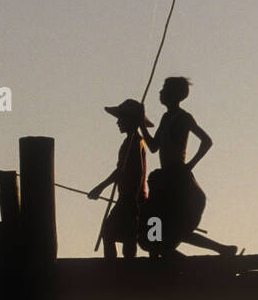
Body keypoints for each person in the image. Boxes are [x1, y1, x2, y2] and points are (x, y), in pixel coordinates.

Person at [139, 76, 211, 257]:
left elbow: (207, 141)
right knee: (157, 230)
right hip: (166, 177)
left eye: (164, 89)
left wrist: (189, 166)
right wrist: (141, 124)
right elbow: (154, 146)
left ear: (174, 94)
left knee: (164, 228)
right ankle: (222, 250)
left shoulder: (184, 118)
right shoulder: (166, 117)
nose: (160, 92)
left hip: (176, 178)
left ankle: (163, 259)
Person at [88, 98, 151, 260]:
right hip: (130, 197)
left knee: (109, 233)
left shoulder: (134, 142)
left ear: (130, 120)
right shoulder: (133, 141)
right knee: (123, 235)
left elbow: (126, 172)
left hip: (130, 198)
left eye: (121, 118)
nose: (117, 122)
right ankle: (122, 269)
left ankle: (115, 271)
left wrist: (100, 187)